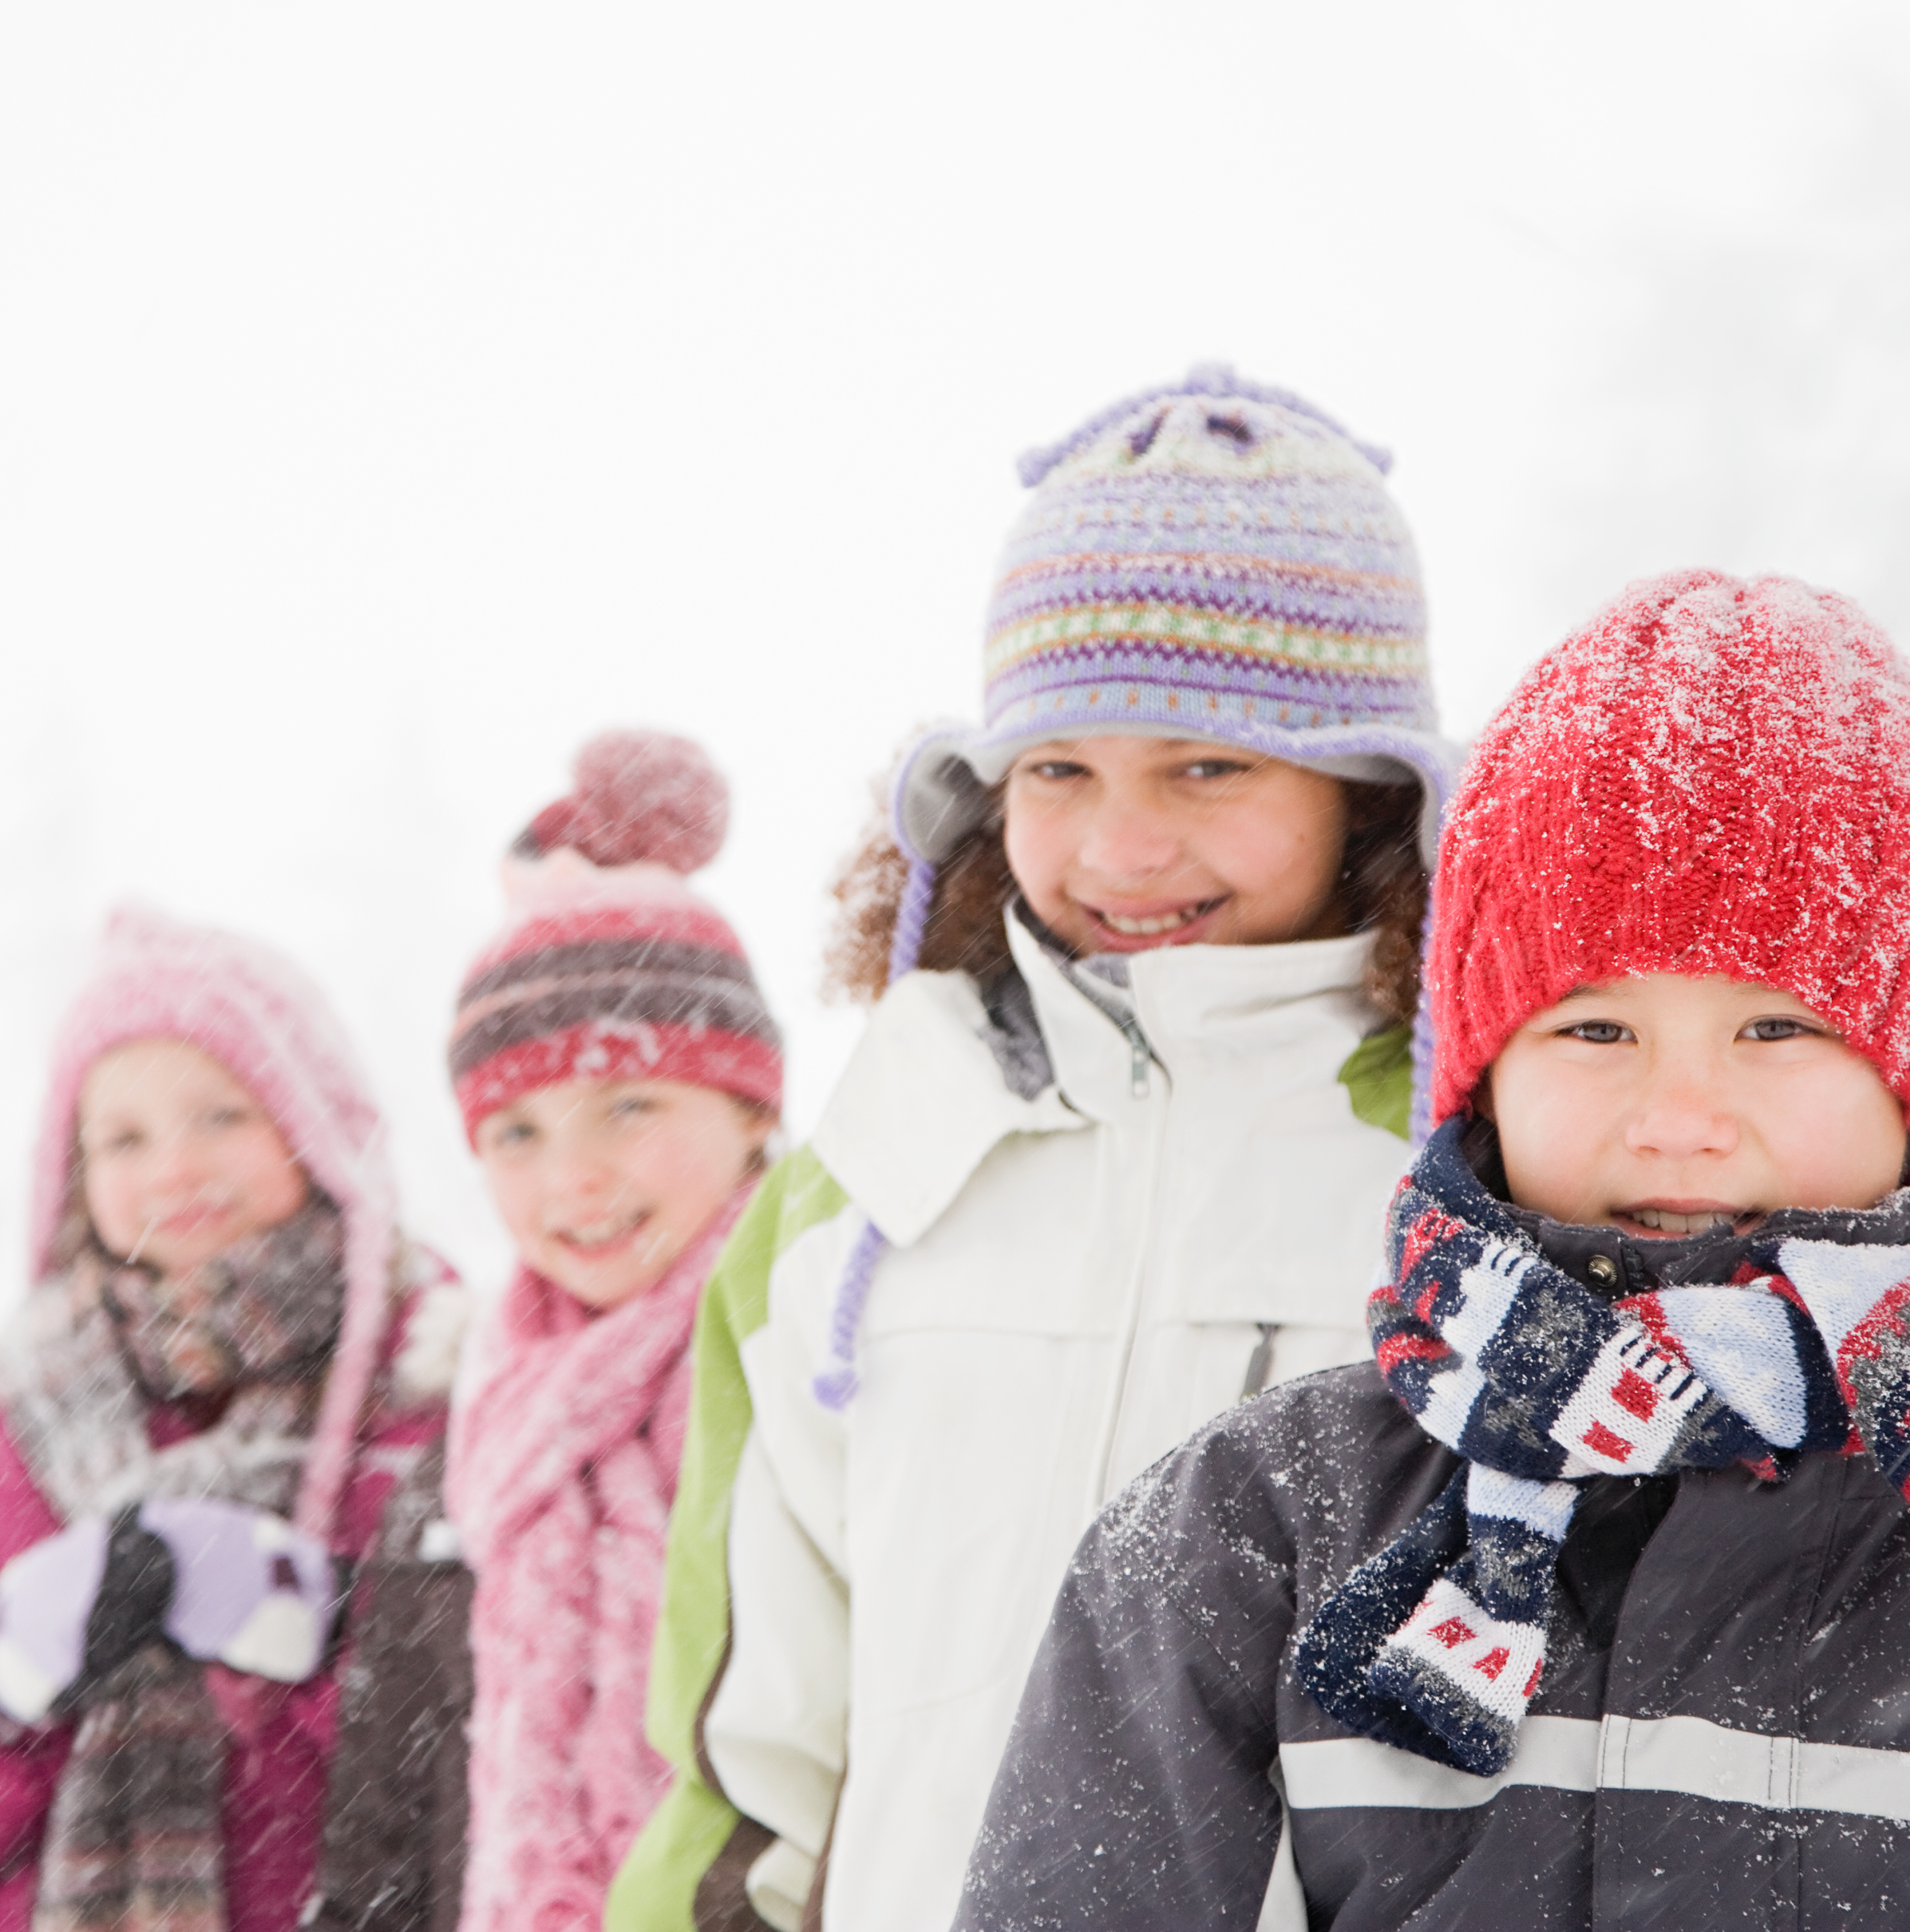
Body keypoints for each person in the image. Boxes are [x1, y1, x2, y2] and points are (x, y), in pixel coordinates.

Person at [957, 568, 1910, 1928]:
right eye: (1594, 1031)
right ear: (1482, 1074)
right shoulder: (1256, 1527)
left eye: (1776, 1029)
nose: (1676, 1119)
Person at [612, 366, 1463, 1931]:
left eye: (1208, 767)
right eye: (1058, 770)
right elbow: (752, 1735)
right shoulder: (871, 1177)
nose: (1119, 847)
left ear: (1362, 791)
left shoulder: (1454, 1183)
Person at [0, 904, 470, 1932]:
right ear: (77, 1178)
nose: (175, 1168)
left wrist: (331, 1645)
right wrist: (0, 1671)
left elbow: (516, 1775)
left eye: (221, 1115)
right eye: (124, 1138)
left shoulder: (438, 1401)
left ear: (314, 1125)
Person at [448, 731, 784, 1932]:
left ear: (753, 1110)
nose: (572, 1179)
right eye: (517, 1134)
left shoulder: (804, 1340)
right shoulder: (500, 1394)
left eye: (628, 1106)